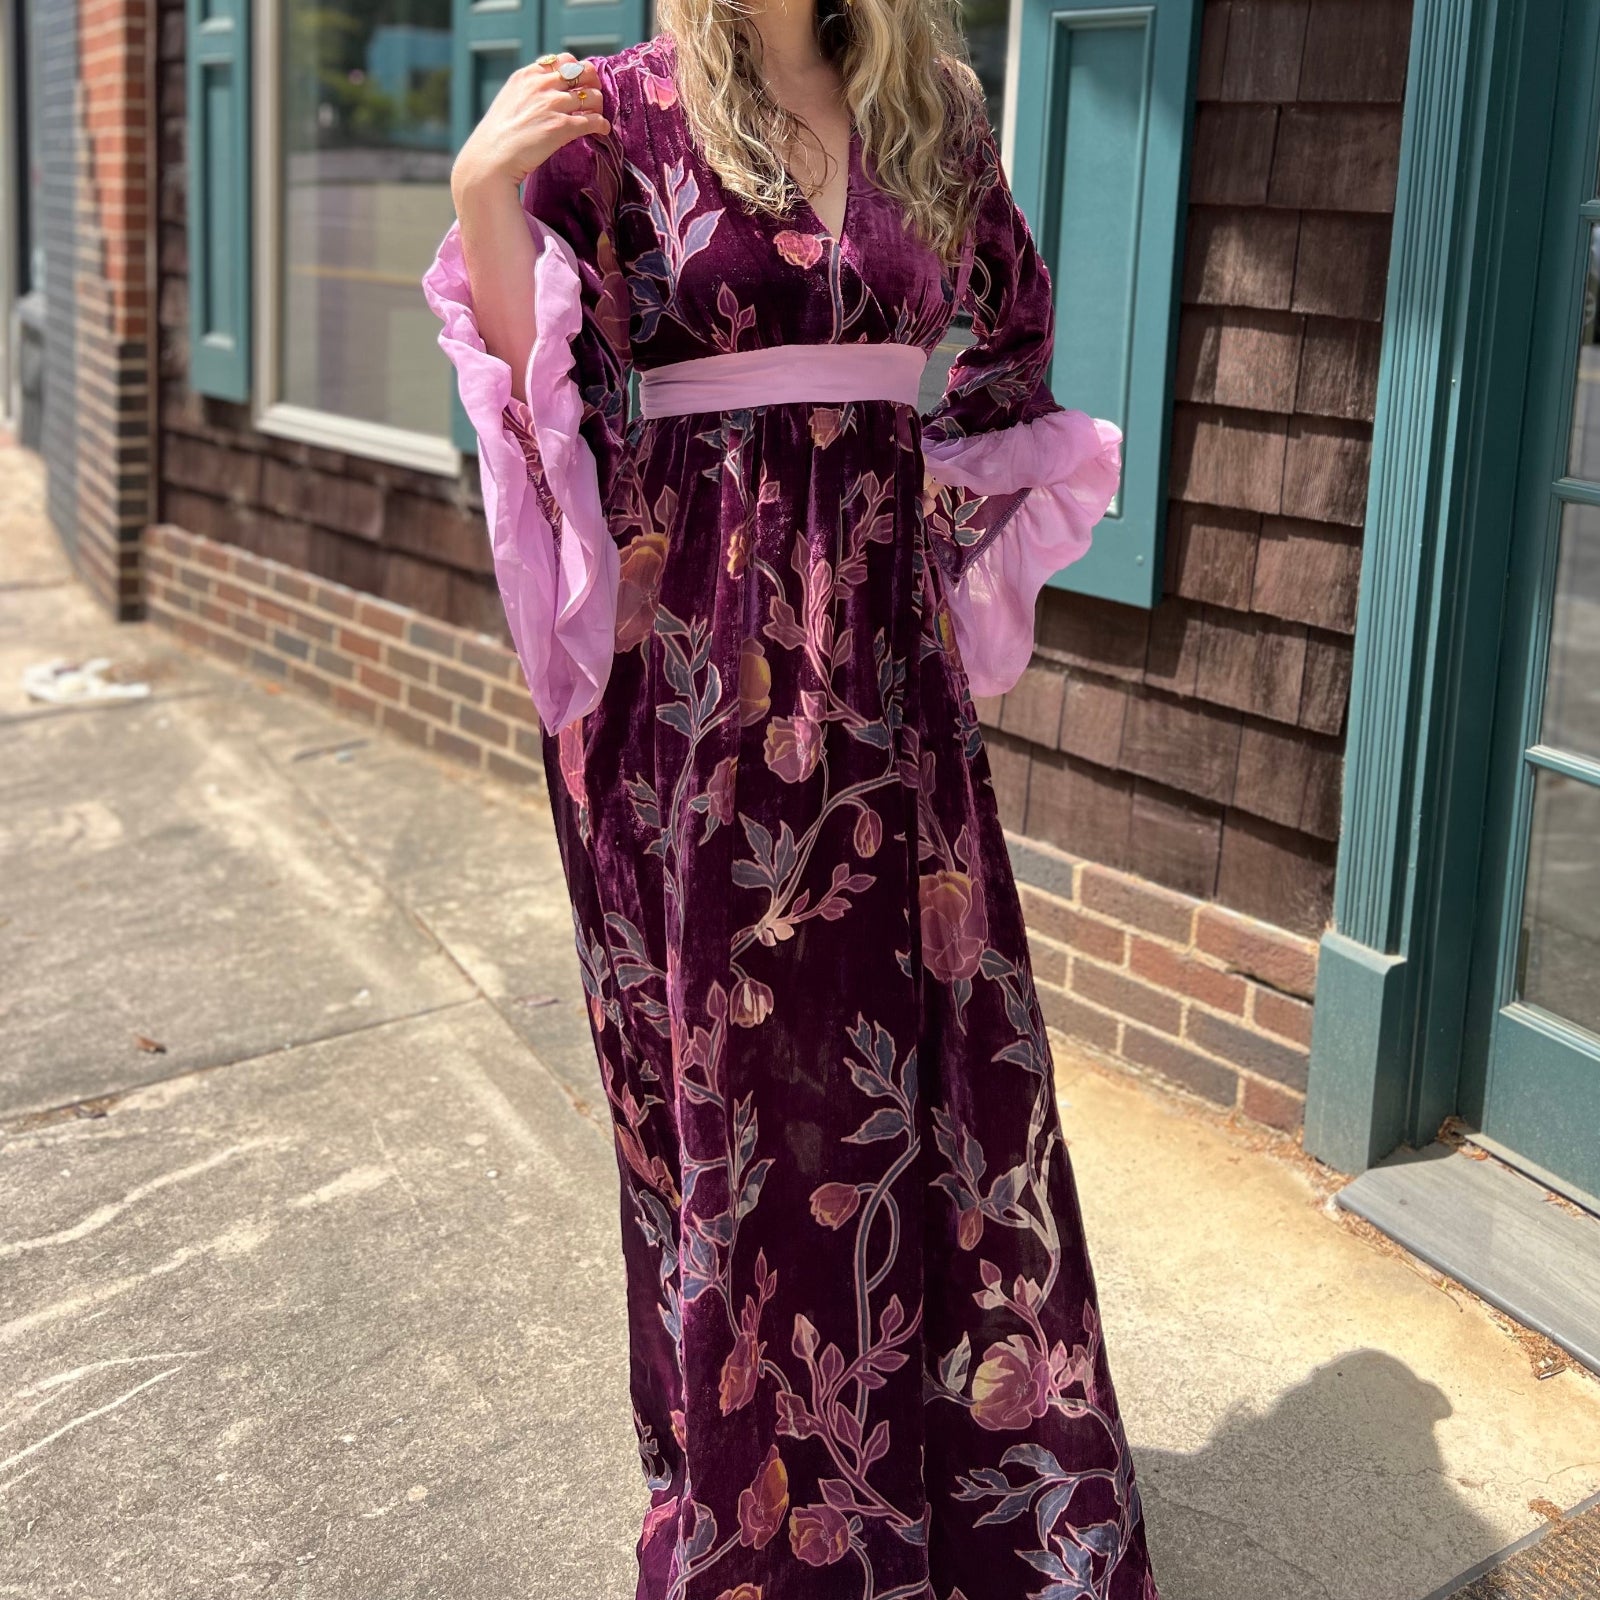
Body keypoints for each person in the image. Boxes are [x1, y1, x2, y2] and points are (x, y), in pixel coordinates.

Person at [422, 2, 1159, 1594]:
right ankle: (762, 1524)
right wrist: (484, 195)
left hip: (885, 693)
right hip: (693, 706)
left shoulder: (932, 113)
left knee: (930, 1079)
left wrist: (904, 550)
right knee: (733, 1108)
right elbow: (543, 406)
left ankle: (965, 1504)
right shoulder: (613, 115)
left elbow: (1009, 358)